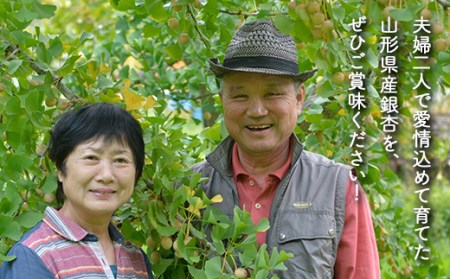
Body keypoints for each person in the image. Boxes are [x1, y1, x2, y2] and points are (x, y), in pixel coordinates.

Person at [192, 20, 380, 278]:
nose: (257, 111)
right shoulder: (191, 189)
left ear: (299, 99)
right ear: (223, 100)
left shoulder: (341, 188)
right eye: (240, 96)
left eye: (272, 94)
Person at [0, 103, 153, 279]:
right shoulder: (33, 256)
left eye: (120, 160)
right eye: (91, 158)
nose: (106, 175)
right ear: (60, 169)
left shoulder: (137, 259)